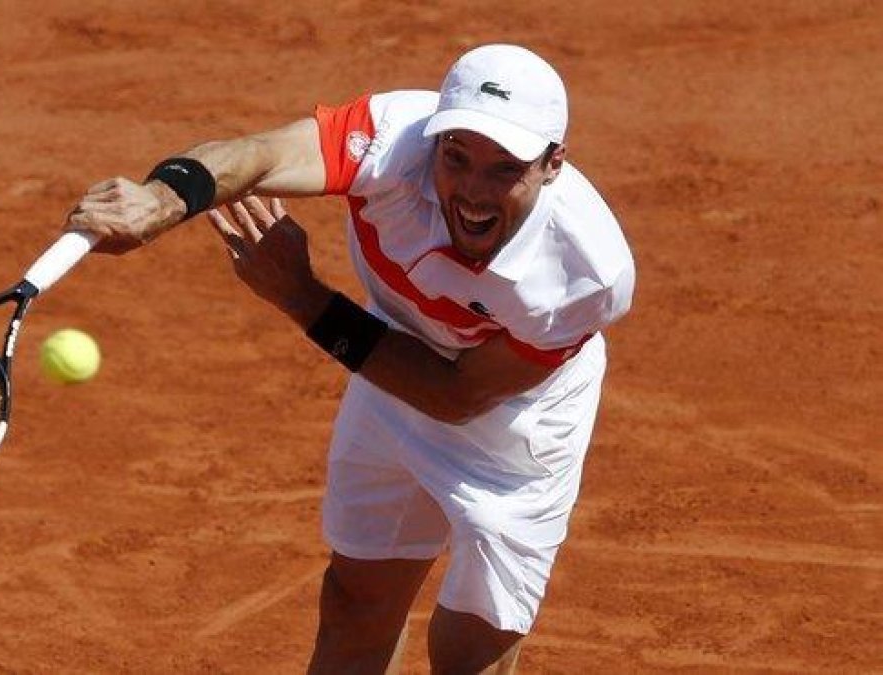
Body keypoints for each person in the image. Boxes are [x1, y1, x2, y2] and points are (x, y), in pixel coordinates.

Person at [65, 44, 635, 674]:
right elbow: (260, 155)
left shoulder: (585, 274)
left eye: (505, 169)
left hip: (517, 427)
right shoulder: (392, 139)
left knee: (470, 652)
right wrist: (163, 200)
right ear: (434, 140)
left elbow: (455, 397)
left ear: (553, 165)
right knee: (355, 602)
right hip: (391, 366)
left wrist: (302, 298)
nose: (473, 190)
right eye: (456, 157)